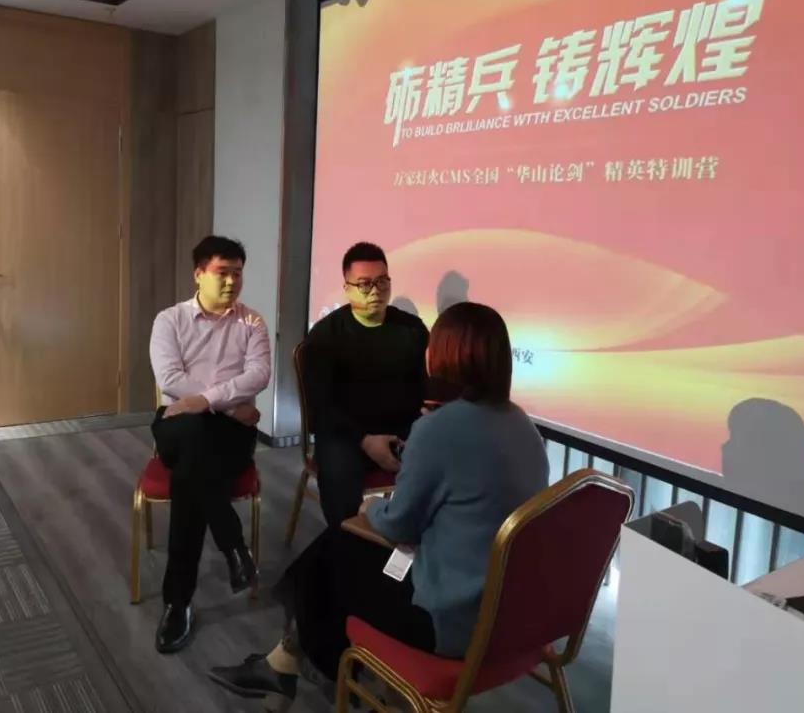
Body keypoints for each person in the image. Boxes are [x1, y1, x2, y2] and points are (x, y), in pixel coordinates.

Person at [208, 302, 549, 708]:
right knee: (337, 551)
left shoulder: (438, 429)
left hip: (452, 619)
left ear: (443, 357)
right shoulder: (524, 427)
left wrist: (372, 509)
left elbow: (399, 525)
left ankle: (309, 666)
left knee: (331, 557)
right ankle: (287, 662)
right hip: (509, 614)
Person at [148, 235, 271, 654]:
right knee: (194, 438)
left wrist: (206, 402)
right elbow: (170, 379)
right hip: (178, 425)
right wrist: (229, 404)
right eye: (222, 272)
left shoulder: (252, 323)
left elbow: (259, 376)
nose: (232, 281)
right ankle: (233, 545)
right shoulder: (169, 320)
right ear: (199, 274)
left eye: (238, 273)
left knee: (191, 476)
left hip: (228, 436)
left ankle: (177, 603)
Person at [304, 242, 429, 527]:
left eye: (382, 281)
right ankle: (349, 544)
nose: (375, 291)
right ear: (347, 288)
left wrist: (422, 427)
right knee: (339, 474)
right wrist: (365, 440)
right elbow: (321, 406)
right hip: (346, 434)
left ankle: (411, 544)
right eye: (364, 284)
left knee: (442, 455)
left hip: (402, 429)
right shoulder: (325, 336)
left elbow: (423, 390)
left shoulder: (412, 330)